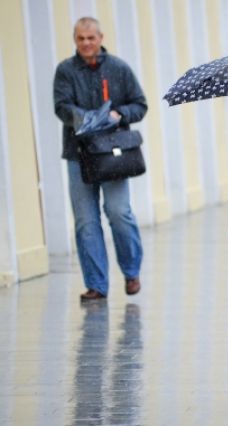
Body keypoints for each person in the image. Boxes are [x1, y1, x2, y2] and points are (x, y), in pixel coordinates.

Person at [53, 17, 147, 301]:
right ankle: (96, 285)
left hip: (113, 154)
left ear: (100, 37)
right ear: (75, 40)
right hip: (77, 154)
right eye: (80, 38)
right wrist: (84, 119)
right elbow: (61, 106)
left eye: (90, 38)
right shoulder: (65, 70)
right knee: (85, 221)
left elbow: (140, 104)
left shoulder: (119, 68)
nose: (86, 43)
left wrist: (119, 114)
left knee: (119, 212)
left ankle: (131, 272)